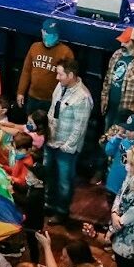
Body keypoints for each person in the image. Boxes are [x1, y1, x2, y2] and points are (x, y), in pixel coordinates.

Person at [44, 59, 94, 223]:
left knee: (64, 181)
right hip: (51, 141)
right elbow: (52, 110)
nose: (57, 77)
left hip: (66, 148)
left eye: (60, 74)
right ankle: (49, 204)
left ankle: (61, 211)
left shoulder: (82, 97)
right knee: (49, 175)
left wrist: (67, 146)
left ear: (70, 75)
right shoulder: (60, 86)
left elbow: (79, 128)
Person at [15, 20, 73, 116]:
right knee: (30, 125)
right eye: (48, 34)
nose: (50, 38)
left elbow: (69, 79)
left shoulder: (66, 52)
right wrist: (20, 92)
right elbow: (26, 71)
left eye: (53, 35)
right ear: (42, 32)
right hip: (33, 97)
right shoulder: (34, 47)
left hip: (52, 100)